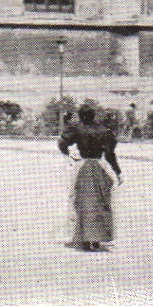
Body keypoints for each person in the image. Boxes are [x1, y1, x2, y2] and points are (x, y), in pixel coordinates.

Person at [58, 104, 122, 251]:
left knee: (82, 201)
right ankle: (97, 238)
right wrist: (117, 172)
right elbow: (110, 154)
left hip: (83, 166)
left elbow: (62, 142)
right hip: (100, 166)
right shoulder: (103, 130)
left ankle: (84, 239)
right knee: (101, 202)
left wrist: (69, 154)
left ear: (81, 116)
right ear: (94, 116)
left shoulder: (77, 128)